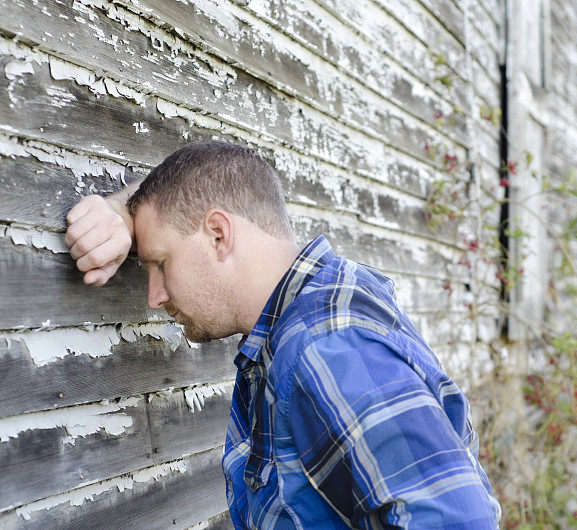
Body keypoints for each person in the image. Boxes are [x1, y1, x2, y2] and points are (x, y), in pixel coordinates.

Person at [65, 141, 501, 528]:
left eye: (160, 264)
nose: (154, 296)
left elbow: (458, 519)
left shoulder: (326, 343)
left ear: (218, 234)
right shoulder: (315, 309)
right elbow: (194, 178)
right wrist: (123, 211)